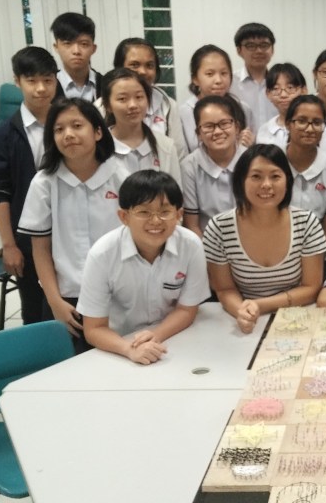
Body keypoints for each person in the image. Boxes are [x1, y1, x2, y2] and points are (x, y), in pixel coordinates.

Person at [18, 98, 127, 352]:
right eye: (59, 129)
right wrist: (54, 301)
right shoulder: (44, 182)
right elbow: (40, 249)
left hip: (118, 293)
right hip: (68, 297)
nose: (68, 134)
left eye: (77, 126)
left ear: (98, 132)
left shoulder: (120, 175)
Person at [79, 171, 209, 365]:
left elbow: (186, 310)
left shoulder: (191, 246)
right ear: (124, 216)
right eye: (144, 212)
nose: (155, 221)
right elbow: (93, 329)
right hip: (118, 347)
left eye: (164, 212)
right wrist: (129, 349)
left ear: (178, 215)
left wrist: (155, 336)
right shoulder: (101, 255)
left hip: (173, 338)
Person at [204, 144, 326, 334]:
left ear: (287, 181)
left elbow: (311, 288)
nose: (266, 185)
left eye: (275, 176)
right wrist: (242, 312)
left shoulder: (306, 223)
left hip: (297, 316)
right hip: (243, 320)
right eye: (256, 176)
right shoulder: (219, 228)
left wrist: (260, 305)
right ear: (240, 181)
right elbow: (224, 289)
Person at [0, 46, 58, 325]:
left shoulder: (70, 125)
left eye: (47, 80)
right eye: (31, 81)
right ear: (17, 81)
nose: (41, 88)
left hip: (69, 236)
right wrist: (9, 245)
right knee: (35, 310)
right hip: (27, 241)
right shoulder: (1, 136)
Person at [282, 95, 326, 273]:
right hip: (276, 248)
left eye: (317, 122)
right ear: (288, 124)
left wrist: (313, 261)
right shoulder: (272, 163)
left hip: (321, 252)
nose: (310, 129)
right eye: (302, 121)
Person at [181, 95, 248, 238]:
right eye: (209, 126)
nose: (217, 131)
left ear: (237, 127)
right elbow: (192, 224)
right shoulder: (189, 166)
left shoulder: (251, 160)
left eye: (224, 123)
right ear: (198, 133)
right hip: (206, 243)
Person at [101, 68, 181, 184]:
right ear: (107, 105)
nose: (133, 105)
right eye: (122, 99)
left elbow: (175, 193)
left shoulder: (165, 146)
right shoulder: (97, 147)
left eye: (139, 97)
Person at [111, 37, 187, 158]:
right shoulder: (103, 105)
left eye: (149, 65)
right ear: (119, 68)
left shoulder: (168, 105)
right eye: (134, 65)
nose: (143, 71)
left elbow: (179, 153)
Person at [179, 45, 255, 153]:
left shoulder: (243, 108)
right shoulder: (184, 113)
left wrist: (250, 143)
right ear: (195, 79)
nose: (218, 80)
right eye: (210, 74)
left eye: (224, 73)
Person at [230, 22, 277, 124]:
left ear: (272, 49)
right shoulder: (230, 83)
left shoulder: (282, 83)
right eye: (251, 46)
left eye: (264, 45)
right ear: (239, 50)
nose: (259, 51)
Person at [256, 63, 307, 148]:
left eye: (290, 88)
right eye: (276, 89)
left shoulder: (314, 126)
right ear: (268, 94)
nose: (283, 95)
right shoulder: (264, 131)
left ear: (303, 90)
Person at [51, 12, 99, 101]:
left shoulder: (107, 84)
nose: (76, 51)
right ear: (56, 47)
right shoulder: (47, 87)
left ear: (93, 48)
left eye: (84, 44)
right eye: (68, 43)